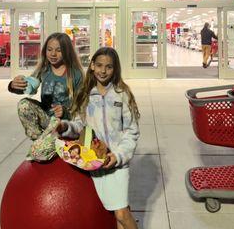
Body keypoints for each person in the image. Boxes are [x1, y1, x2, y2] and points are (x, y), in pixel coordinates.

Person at [57, 47, 140, 229]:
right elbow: (79, 125)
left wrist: (118, 156)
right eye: (100, 65)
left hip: (116, 163)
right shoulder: (85, 95)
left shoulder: (122, 95)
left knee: (121, 213)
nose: (103, 71)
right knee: (116, 212)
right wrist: (65, 126)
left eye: (109, 67)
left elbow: (131, 131)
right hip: (94, 162)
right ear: (92, 66)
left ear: (115, 69)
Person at [8, 32, 85, 160]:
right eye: (49, 50)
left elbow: (82, 108)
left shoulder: (76, 74)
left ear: (67, 51)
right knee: (23, 104)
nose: (53, 54)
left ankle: (44, 146)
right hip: (46, 119)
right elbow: (28, 88)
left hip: (64, 123)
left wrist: (65, 111)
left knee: (39, 153)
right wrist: (14, 85)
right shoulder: (43, 70)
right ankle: (41, 142)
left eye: (58, 50)